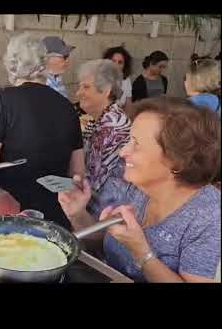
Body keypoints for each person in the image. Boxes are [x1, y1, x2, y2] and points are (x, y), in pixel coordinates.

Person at [58, 97, 221, 282]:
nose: (122, 152)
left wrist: (142, 253)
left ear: (177, 161)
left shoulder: (209, 216)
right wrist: (77, 213)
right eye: (129, 140)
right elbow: (108, 241)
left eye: (137, 144)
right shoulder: (134, 186)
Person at [0, 32, 85, 228]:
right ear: (43, 64)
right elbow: (77, 173)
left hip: (11, 216)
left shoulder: (4, 99)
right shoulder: (67, 106)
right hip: (56, 219)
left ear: (11, 65)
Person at [76, 59, 131, 210]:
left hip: (106, 209)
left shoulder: (112, 124)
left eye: (86, 87)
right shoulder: (104, 118)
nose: (78, 93)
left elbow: (93, 179)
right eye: (79, 86)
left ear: (106, 90)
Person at [102, 45, 133, 111]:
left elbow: (128, 104)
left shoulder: (126, 80)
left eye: (120, 62)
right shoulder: (100, 79)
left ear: (125, 65)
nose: (116, 65)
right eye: (113, 61)